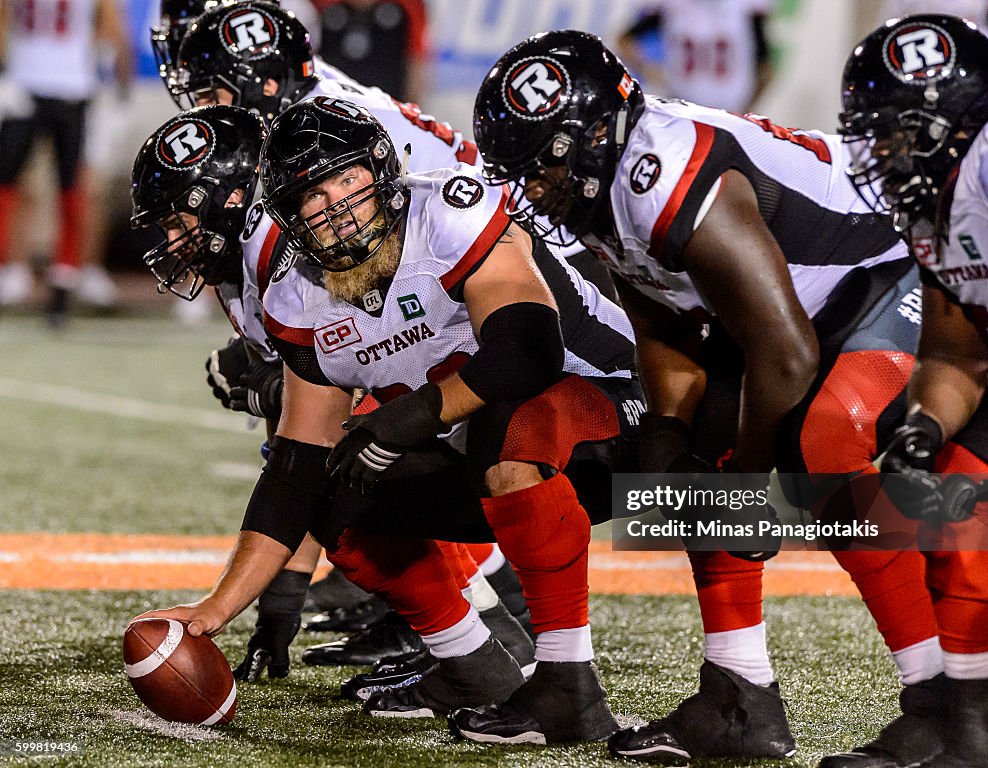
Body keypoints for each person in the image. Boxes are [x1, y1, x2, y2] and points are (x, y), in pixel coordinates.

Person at [472, 30, 938, 764]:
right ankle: (740, 698)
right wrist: (666, 428)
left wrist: (750, 486)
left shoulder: (666, 177)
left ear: (599, 134)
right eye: (521, 171)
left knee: (820, 446)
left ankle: (943, 706)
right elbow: (662, 316)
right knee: (696, 464)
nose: (533, 188)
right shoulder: (604, 187)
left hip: (880, 272)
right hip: (785, 312)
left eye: (544, 166)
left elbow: (785, 352)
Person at [135, 96, 641, 743]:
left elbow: (527, 351)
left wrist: (406, 417)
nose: (334, 206)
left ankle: (568, 683)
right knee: (335, 488)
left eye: (344, 179)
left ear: (380, 169)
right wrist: (221, 606)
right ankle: (471, 664)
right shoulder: (297, 294)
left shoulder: (449, 213)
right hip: (491, 460)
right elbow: (294, 469)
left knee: (507, 422)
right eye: (309, 197)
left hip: (619, 423)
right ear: (287, 218)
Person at [833, 14, 988, 767]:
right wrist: (925, 427)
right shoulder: (933, 199)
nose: (878, 150)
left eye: (894, 130)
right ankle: (976, 736)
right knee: (957, 501)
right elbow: (956, 353)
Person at [0, 0, 130, 323]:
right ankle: (10, 268)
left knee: (70, 187)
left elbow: (110, 28)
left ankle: (65, 274)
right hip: (27, 82)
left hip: (73, 87)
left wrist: (114, 86)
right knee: (7, 183)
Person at [616, 0, 775, 113]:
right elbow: (625, 40)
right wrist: (650, 72)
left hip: (730, 108)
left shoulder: (745, 7)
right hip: (683, 107)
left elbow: (765, 66)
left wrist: (749, 107)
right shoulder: (672, 6)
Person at [313, 0, 429, 104]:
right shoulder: (321, 5)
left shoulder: (407, 6)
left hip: (387, 104)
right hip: (333, 104)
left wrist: (410, 107)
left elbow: (415, 58)